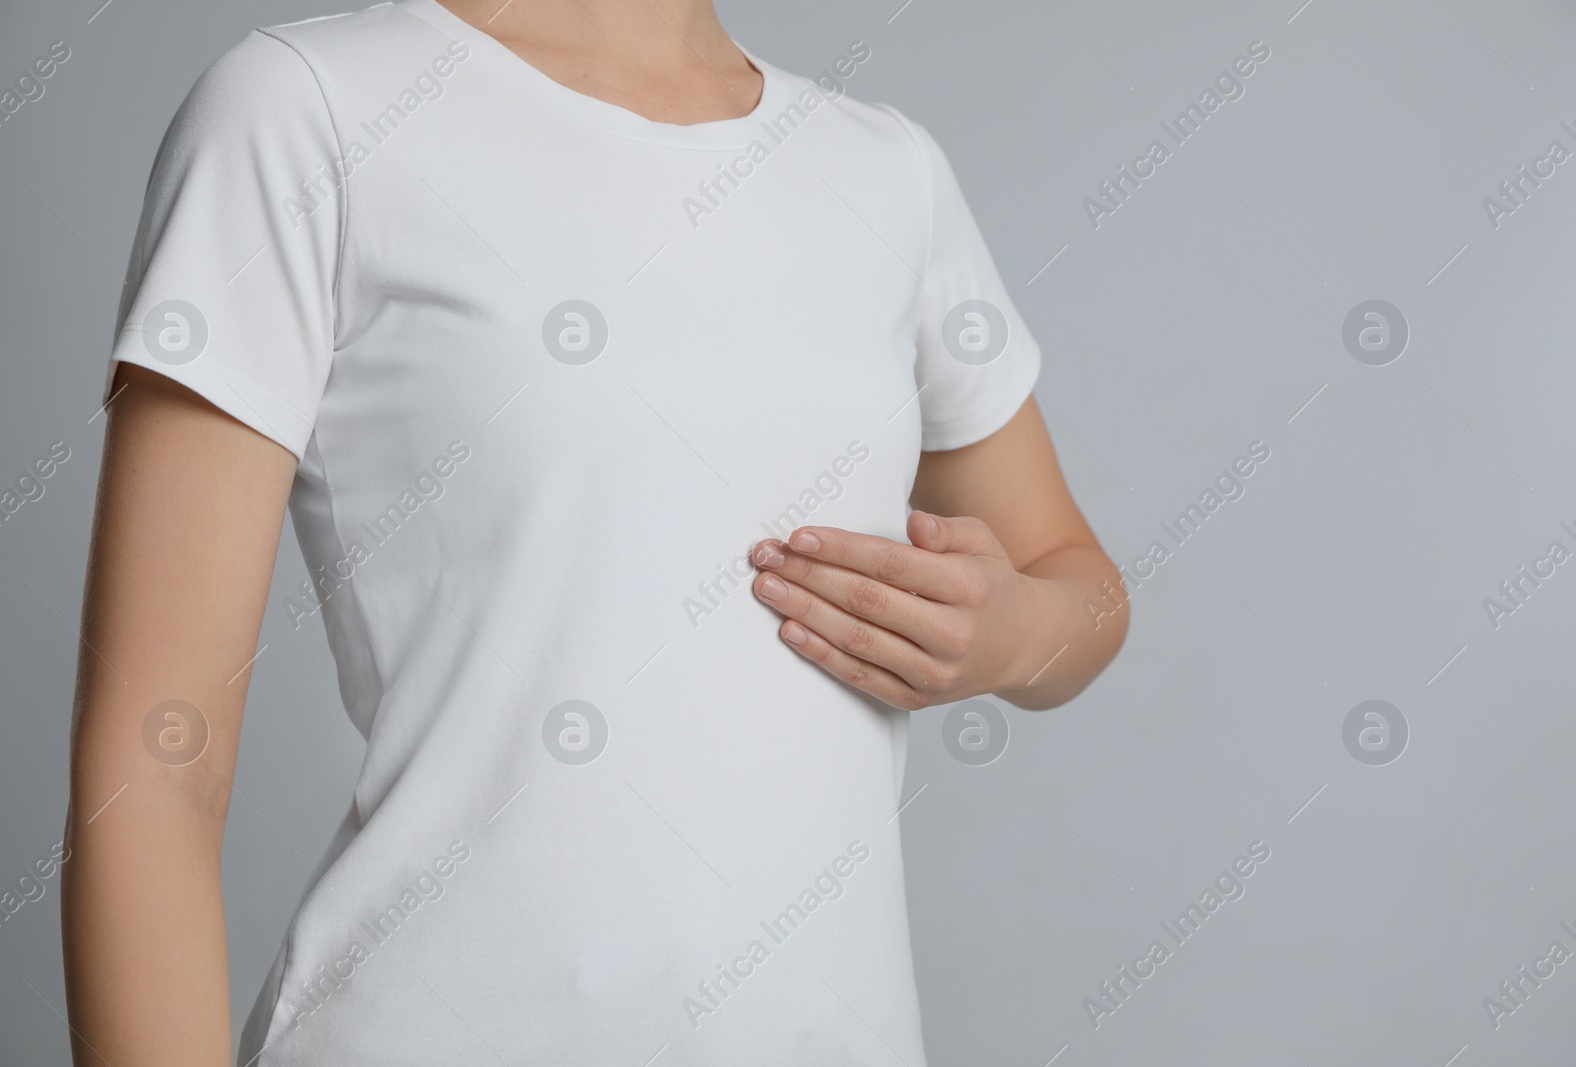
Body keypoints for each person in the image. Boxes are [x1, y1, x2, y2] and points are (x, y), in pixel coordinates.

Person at [61, 1, 1128, 1063]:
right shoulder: (308, 107)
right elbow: (153, 769)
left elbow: (1077, 586)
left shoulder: (887, 172)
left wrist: (1005, 632)